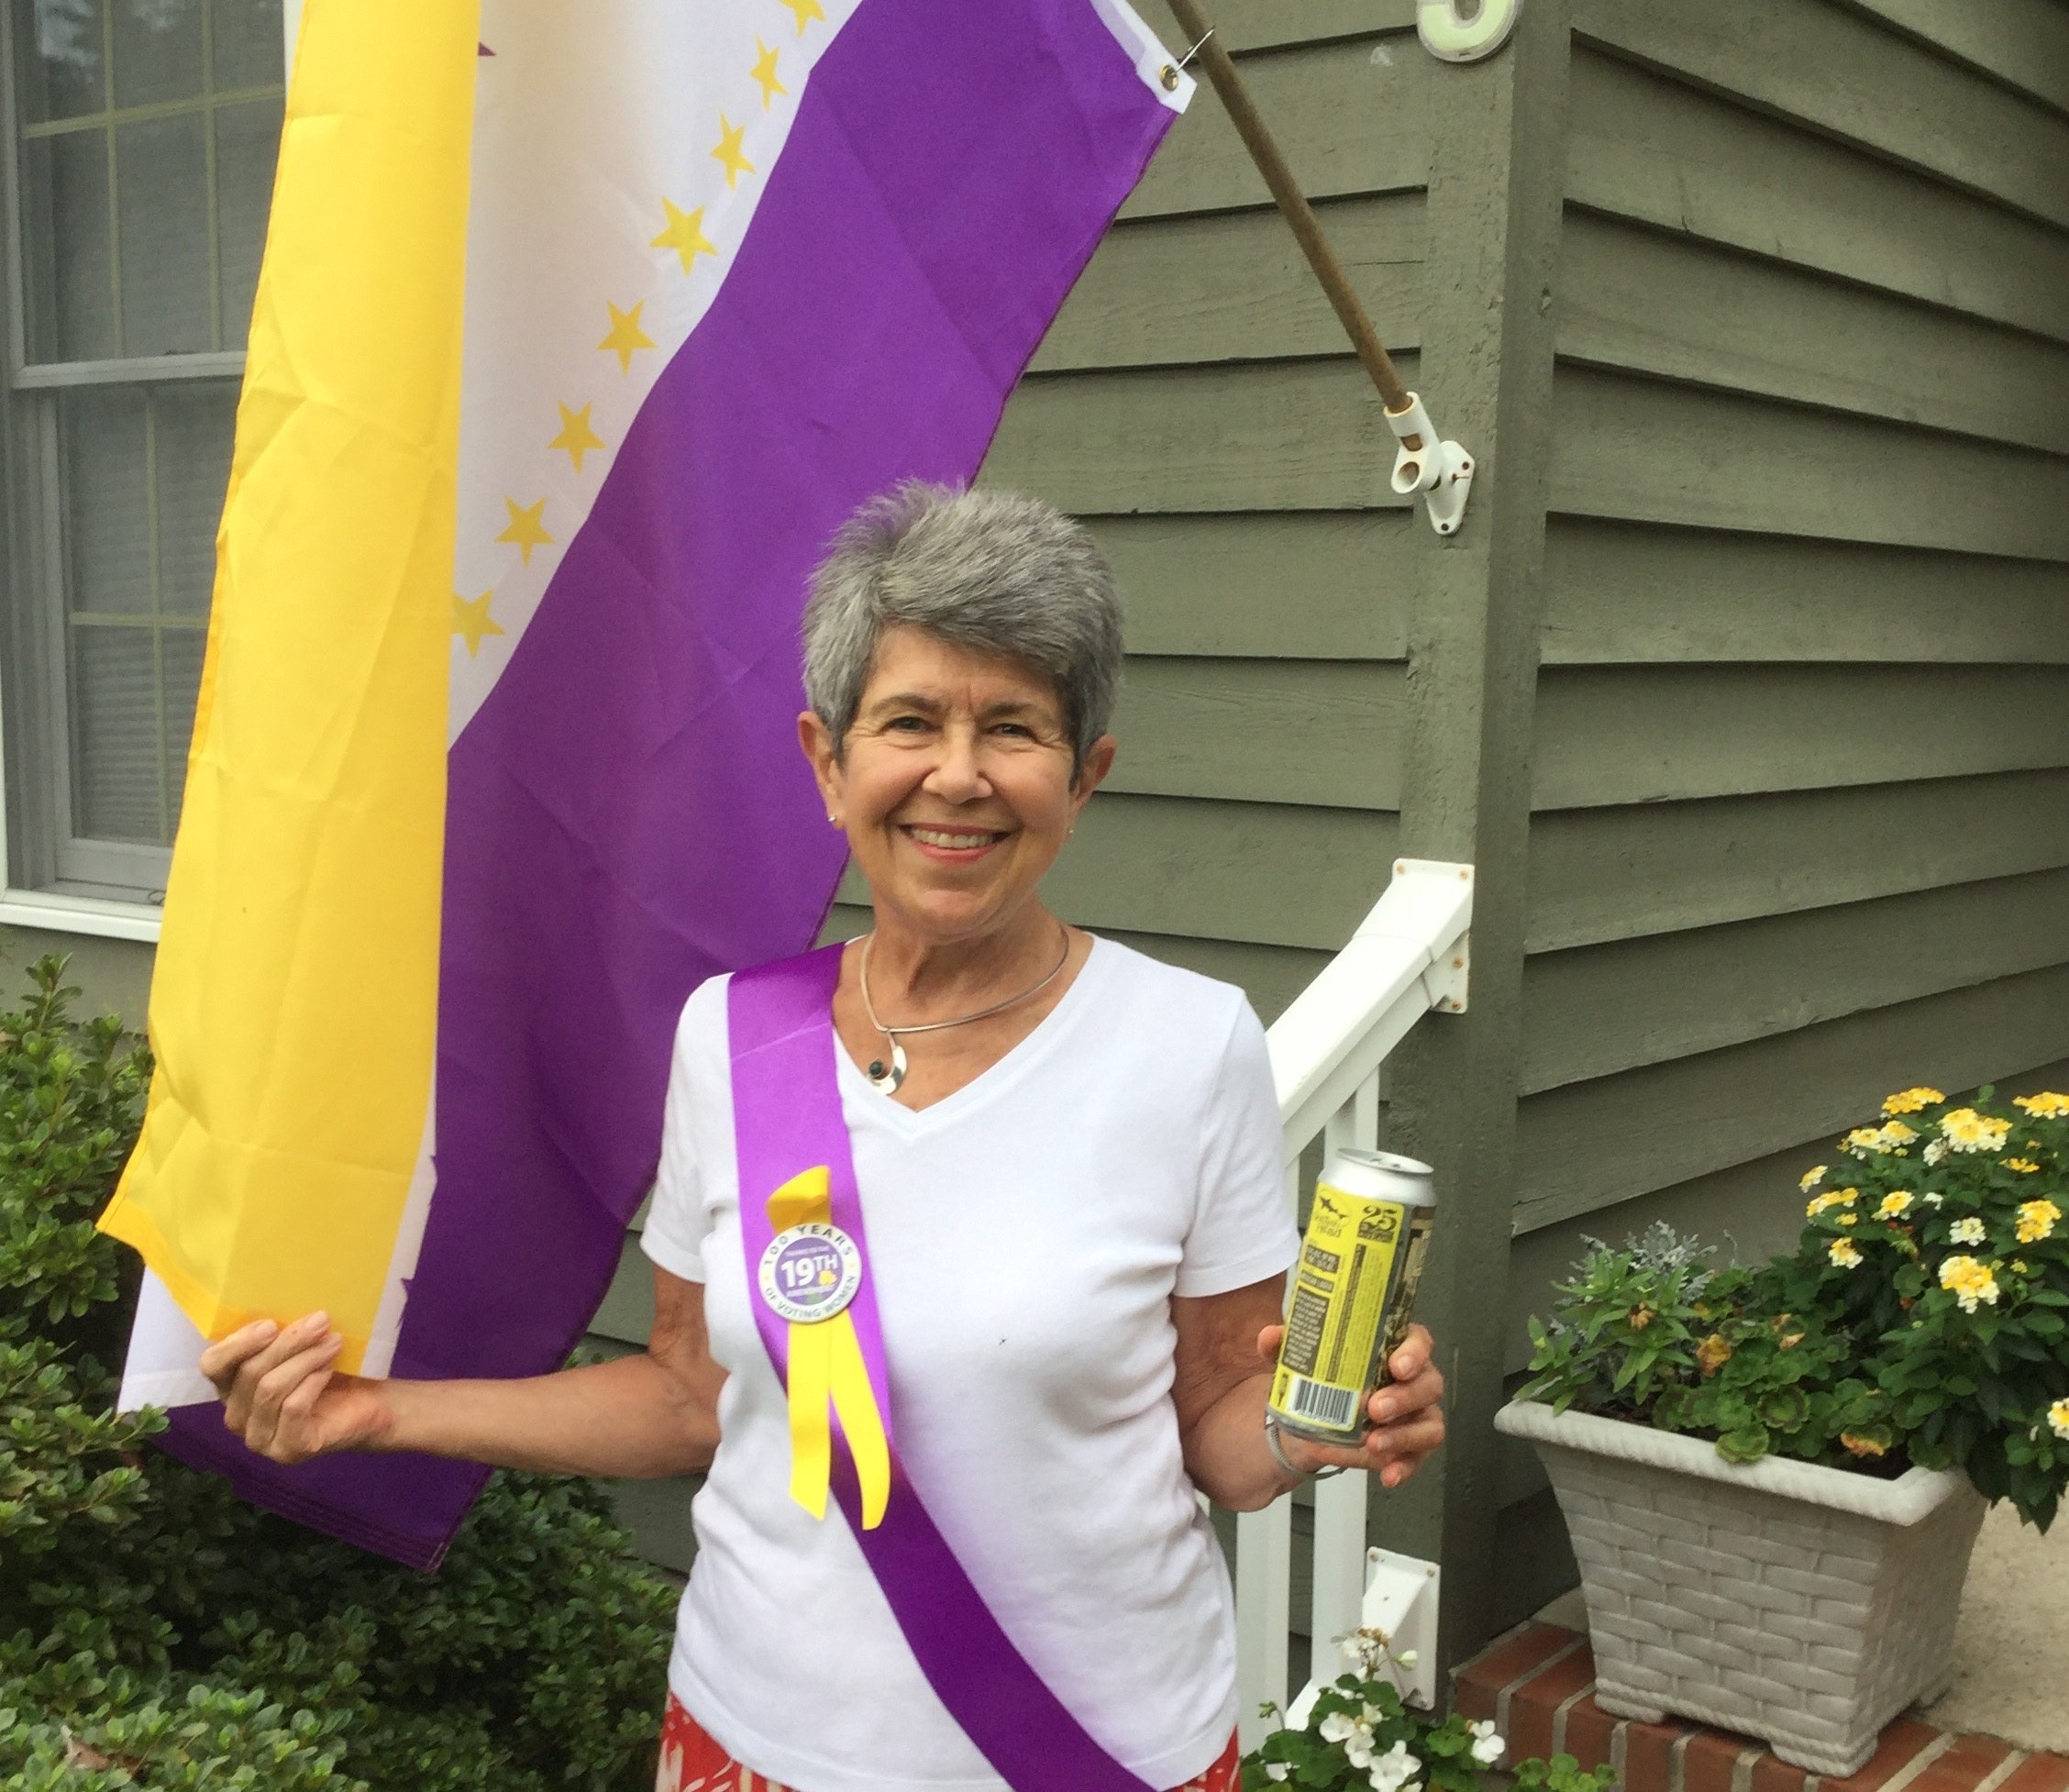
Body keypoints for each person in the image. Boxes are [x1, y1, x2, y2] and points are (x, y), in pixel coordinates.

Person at [201, 483, 1448, 1792]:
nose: (957, 774)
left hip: (1093, 1754)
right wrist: (375, 1408)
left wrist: (1324, 1425)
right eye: (910, 719)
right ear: (827, 759)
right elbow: (689, 1391)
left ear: (1084, 777)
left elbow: (1219, 1427)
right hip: (760, 1740)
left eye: (1012, 727)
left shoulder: (1192, 1045)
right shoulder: (732, 1040)